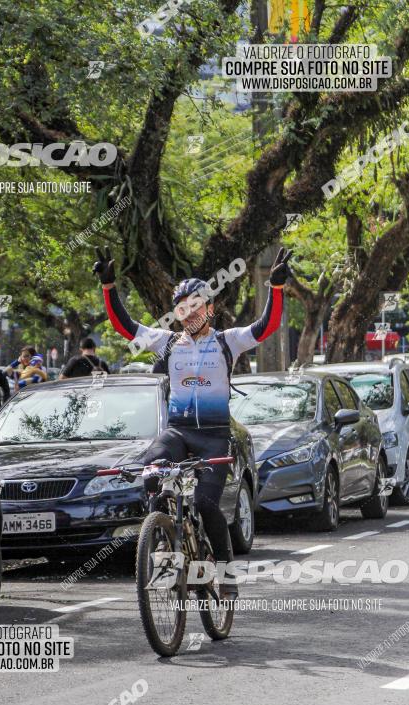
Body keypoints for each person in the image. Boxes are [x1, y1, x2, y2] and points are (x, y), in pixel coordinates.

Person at [93, 245, 292, 601]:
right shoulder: (167, 344)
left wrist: (275, 290)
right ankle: (166, 548)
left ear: (210, 309)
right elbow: (124, 326)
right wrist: (109, 288)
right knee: (151, 473)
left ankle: (224, 573)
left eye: (195, 306)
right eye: (182, 308)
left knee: (205, 504)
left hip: (215, 437)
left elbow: (267, 327)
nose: (188, 313)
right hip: (178, 433)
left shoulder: (227, 342)